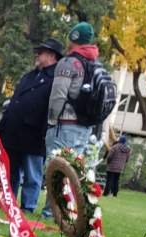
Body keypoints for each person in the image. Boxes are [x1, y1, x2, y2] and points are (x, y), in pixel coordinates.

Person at [0, 38, 61, 212]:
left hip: (34, 133)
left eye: (41, 52)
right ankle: (7, 200)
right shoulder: (30, 75)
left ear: (52, 56)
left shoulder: (55, 79)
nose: (37, 55)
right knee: (11, 171)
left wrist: (44, 131)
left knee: (32, 174)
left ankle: (28, 206)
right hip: (14, 131)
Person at [43, 22, 101, 216]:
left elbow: (58, 95)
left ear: (73, 38)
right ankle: (66, 211)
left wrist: (52, 120)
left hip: (65, 125)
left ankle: (51, 212)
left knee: (56, 167)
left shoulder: (69, 63)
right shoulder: (94, 64)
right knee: (73, 170)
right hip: (85, 127)